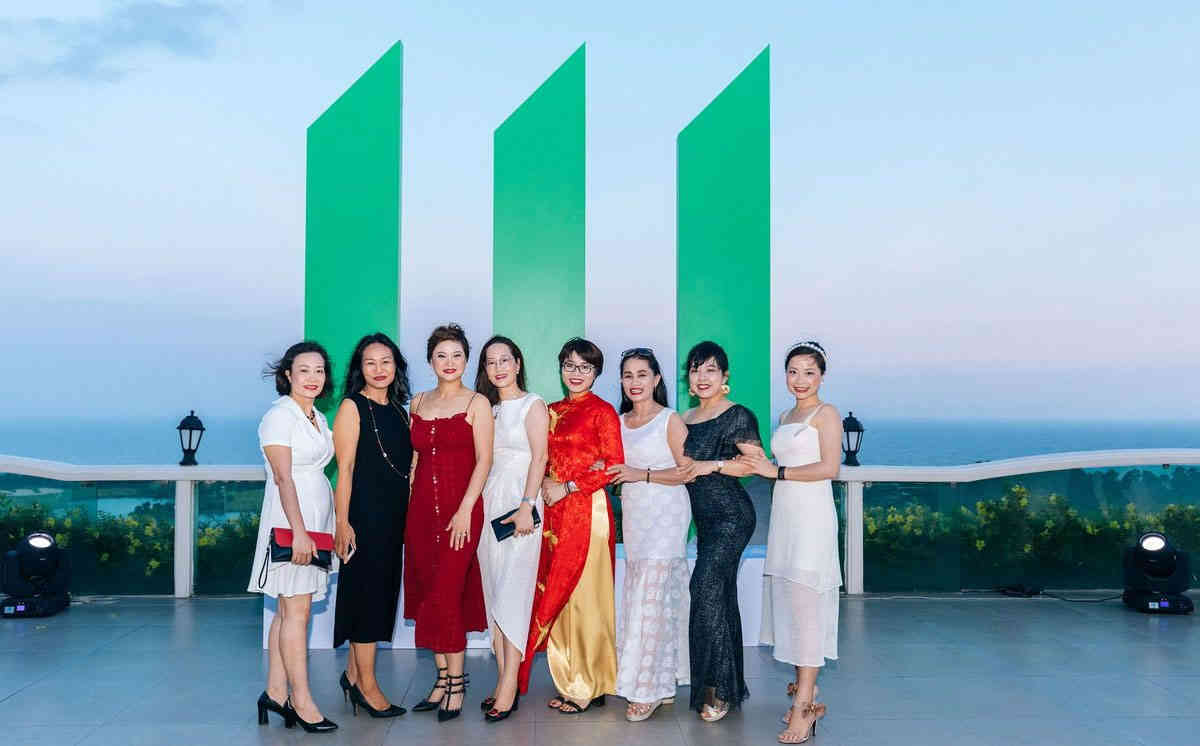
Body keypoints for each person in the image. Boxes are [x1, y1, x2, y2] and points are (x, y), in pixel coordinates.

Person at [737, 341, 842, 743]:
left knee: (807, 607)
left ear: (822, 377)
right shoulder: (785, 416)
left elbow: (830, 467)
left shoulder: (826, 414)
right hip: (786, 518)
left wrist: (777, 472)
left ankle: (804, 707)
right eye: (793, 371)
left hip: (812, 519)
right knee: (793, 608)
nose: (800, 380)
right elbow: (768, 465)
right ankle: (807, 692)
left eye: (809, 372)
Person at [518, 337, 625, 715]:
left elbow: (613, 465)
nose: (576, 373)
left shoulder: (603, 412)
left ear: (596, 373)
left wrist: (570, 485)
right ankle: (569, 680)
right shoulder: (549, 411)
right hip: (554, 512)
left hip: (588, 510)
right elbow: (538, 458)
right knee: (558, 594)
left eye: (585, 367)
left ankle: (591, 684)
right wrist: (551, 483)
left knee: (586, 596)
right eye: (569, 366)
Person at [404, 324, 493, 722]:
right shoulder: (418, 402)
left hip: (463, 512)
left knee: (448, 593)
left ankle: (457, 683)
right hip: (421, 513)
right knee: (428, 592)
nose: (449, 362)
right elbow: (415, 460)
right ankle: (441, 679)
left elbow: (485, 460)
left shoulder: (477, 403)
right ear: (430, 361)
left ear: (466, 360)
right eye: (441, 355)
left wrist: (465, 509)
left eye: (457, 355)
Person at [249, 341, 339, 733]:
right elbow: (283, 478)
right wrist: (300, 533)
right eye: (304, 370)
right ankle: (302, 701)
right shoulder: (279, 417)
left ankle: (274, 692)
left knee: (288, 610)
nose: (312, 377)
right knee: (297, 612)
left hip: (315, 520)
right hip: (292, 522)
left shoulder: (316, 416)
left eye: (319, 370)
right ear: (287, 374)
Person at [678, 340, 763, 722]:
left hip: (732, 517)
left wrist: (710, 465)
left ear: (724, 376)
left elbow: (754, 463)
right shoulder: (685, 418)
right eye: (696, 369)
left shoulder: (737, 415)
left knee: (704, 588)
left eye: (710, 369)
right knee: (721, 597)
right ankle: (726, 685)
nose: (702, 377)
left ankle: (718, 690)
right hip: (706, 521)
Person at [606, 348, 692, 722]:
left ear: (656, 379)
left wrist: (641, 474)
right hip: (637, 518)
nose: (635, 382)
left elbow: (688, 472)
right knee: (646, 596)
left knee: (651, 599)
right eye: (628, 375)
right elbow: (613, 469)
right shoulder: (618, 422)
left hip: (668, 515)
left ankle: (648, 689)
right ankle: (664, 679)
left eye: (642, 374)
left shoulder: (670, 420)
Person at [330, 332, 412, 719]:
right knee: (367, 600)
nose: (379, 370)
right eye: (370, 363)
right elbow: (344, 470)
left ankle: (351, 675)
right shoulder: (352, 407)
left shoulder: (398, 410)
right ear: (359, 369)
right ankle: (367, 685)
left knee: (380, 596)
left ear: (396, 366)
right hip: (363, 518)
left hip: (393, 518)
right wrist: (342, 522)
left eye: (386, 362)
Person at [473, 335, 549, 722]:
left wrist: (527, 505)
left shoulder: (533, 404)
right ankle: (504, 678)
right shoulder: (486, 409)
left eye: (505, 360)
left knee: (514, 592)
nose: (499, 367)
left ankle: (508, 686)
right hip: (489, 500)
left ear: (518, 364)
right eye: (491, 362)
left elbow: (540, 457)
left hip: (521, 503)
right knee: (494, 592)